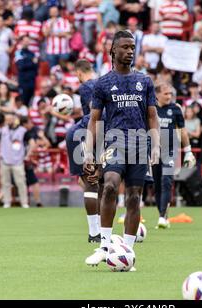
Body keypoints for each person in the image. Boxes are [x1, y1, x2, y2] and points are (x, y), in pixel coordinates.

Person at [83, 30, 160, 268]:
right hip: (114, 143)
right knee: (109, 186)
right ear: (113, 50)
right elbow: (94, 120)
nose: (129, 51)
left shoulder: (145, 81)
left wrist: (156, 145)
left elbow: (152, 116)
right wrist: (88, 151)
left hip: (139, 145)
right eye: (125, 47)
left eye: (132, 47)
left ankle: (127, 252)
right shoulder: (103, 83)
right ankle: (105, 247)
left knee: (135, 198)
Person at [65, 59, 101, 242]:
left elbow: (92, 115)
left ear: (78, 72)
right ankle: (102, 227)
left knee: (87, 181)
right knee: (96, 182)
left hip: (86, 136)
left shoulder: (86, 87)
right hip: (105, 133)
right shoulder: (102, 82)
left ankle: (94, 231)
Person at [152, 82, 195, 229]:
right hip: (154, 152)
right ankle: (163, 215)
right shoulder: (150, 108)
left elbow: (182, 131)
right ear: (157, 95)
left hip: (170, 151)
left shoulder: (176, 109)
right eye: (166, 93)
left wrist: (188, 151)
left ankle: (162, 216)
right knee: (157, 185)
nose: (169, 96)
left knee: (166, 181)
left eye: (170, 93)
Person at [0, 112, 29, 209]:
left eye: (10, 119)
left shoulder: (22, 130)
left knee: (20, 182)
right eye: (7, 119)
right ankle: (7, 202)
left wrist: (27, 155)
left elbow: (31, 142)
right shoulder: (3, 130)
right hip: (5, 160)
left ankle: (24, 202)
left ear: (14, 119)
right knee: (5, 183)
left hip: (17, 160)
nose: (8, 121)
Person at [15, 35, 38, 106]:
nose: (26, 42)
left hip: (31, 80)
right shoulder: (18, 52)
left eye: (28, 41)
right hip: (23, 81)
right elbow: (20, 66)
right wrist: (31, 62)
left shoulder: (32, 53)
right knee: (23, 101)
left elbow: (36, 66)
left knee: (30, 102)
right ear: (21, 42)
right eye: (25, 41)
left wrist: (26, 62)